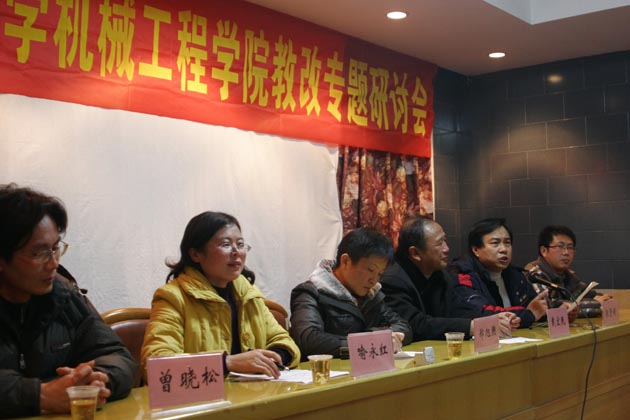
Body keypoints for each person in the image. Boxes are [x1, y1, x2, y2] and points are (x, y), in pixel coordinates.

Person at [0, 184, 136, 418]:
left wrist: (98, 380)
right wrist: (41, 395)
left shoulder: (63, 296)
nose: (53, 264)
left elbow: (118, 356)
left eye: (55, 248)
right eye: (39, 253)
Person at [141, 211, 300, 379]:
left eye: (240, 244)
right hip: (204, 394)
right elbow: (157, 363)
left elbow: (283, 340)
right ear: (196, 254)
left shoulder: (248, 294)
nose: (236, 252)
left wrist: (273, 358)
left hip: (253, 391)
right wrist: (226, 363)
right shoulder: (172, 297)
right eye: (226, 244)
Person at [381, 216, 519, 341]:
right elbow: (417, 325)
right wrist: (472, 326)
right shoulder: (393, 280)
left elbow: (458, 310)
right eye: (439, 243)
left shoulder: (440, 274)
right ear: (415, 253)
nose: (446, 248)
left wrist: (490, 320)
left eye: (445, 240)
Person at [289, 227, 412, 360]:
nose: (374, 280)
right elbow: (308, 339)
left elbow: (403, 327)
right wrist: (367, 342)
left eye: (380, 274)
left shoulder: (371, 295)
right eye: (370, 270)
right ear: (346, 261)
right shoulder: (311, 292)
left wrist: (378, 337)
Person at [448, 218, 548, 328]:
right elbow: (481, 313)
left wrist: (548, 311)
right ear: (476, 250)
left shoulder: (515, 275)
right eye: (495, 243)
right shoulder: (462, 274)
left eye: (507, 243)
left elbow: (535, 308)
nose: (504, 249)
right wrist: (528, 314)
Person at [524, 225, 612, 321]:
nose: (566, 252)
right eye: (560, 246)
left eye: (570, 247)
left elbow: (590, 295)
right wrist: (596, 304)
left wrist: (603, 300)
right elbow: (549, 307)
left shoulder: (569, 275)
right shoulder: (534, 274)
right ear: (544, 251)